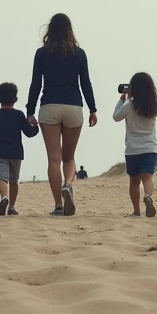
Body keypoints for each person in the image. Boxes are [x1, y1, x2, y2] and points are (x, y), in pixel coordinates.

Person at [26, 13, 97, 217]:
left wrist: (29, 111)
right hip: (74, 107)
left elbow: (35, 84)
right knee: (69, 157)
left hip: (49, 106)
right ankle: (68, 184)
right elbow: (86, 84)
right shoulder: (79, 53)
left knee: (54, 159)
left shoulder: (41, 53)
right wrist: (92, 109)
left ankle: (58, 204)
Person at [113, 72, 157, 217]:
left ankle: (136, 211)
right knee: (147, 177)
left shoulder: (129, 105)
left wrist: (121, 100)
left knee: (134, 181)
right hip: (150, 148)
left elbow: (116, 117)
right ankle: (148, 197)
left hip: (132, 149)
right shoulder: (153, 105)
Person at [0, 82, 39, 216]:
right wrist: (35, 126)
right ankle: (11, 207)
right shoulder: (19, 115)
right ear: (15, 99)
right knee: (14, 180)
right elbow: (29, 133)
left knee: (1, 177)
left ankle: (4, 197)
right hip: (16, 153)